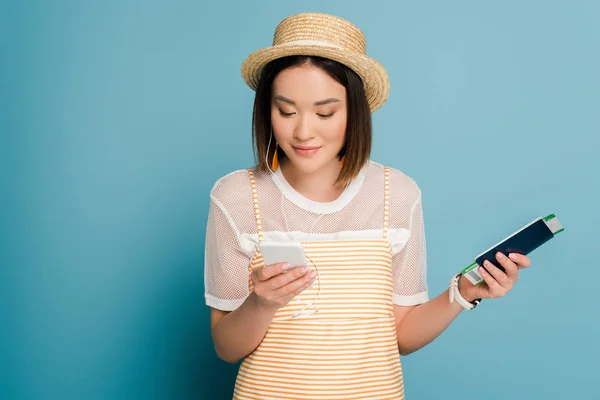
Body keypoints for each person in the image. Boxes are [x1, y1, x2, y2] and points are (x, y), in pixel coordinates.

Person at [204, 12, 531, 400]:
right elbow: (226, 348)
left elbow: (403, 336)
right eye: (286, 111)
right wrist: (261, 303)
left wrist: (464, 290)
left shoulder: (398, 194)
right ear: (266, 111)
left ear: (355, 111)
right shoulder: (236, 197)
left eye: (325, 112)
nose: (303, 131)